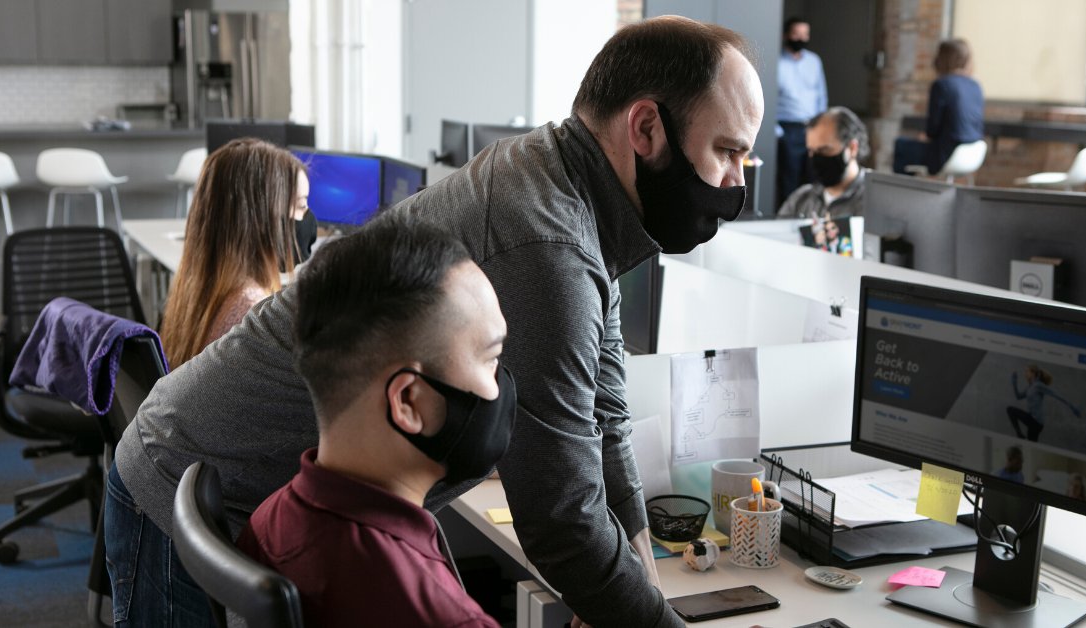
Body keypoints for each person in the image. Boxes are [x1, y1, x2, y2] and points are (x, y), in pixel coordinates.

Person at [108, 15, 763, 628]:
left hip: (263, 497)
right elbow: (561, 519)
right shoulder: (549, 243)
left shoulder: (570, 188)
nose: (736, 186)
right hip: (186, 488)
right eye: (728, 152)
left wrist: (643, 587)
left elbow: (606, 412)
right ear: (646, 129)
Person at [237, 214, 508, 627]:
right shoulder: (443, 617)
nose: (502, 385)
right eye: (491, 360)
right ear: (408, 401)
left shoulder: (272, 518)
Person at [158, 138, 307, 367]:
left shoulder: (200, 290)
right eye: (300, 204)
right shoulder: (252, 311)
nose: (307, 217)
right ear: (263, 216)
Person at [892, 39, 984, 176]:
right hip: (974, 153)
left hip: (947, 153)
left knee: (901, 145)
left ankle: (903, 193)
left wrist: (926, 136)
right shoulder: (975, 85)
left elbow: (933, 129)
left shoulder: (941, 85)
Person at [777, 107, 869, 219]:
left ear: (852, 148)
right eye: (811, 151)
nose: (816, 158)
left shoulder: (875, 200)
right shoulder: (801, 200)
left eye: (824, 150)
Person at [776, 16, 827, 206]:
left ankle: (809, 220)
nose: (801, 38)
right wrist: (776, 130)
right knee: (789, 179)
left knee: (813, 178)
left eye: (805, 34)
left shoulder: (814, 61)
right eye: (796, 34)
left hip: (813, 127)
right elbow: (769, 95)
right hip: (788, 129)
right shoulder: (777, 62)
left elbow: (821, 94)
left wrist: (822, 125)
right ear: (786, 35)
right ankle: (786, 220)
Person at [1006, 365, 1080, 442]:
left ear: (1033, 373)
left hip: (1036, 422)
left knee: (1010, 409)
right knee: (1031, 442)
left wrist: (1072, 407)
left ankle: (1019, 434)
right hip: (1032, 421)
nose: (1025, 373)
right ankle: (1019, 435)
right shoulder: (1029, 387)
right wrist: (1014, 382)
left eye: (1027, 371)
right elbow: (1018, 396)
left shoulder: (1038, 385)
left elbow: (1056, 395)